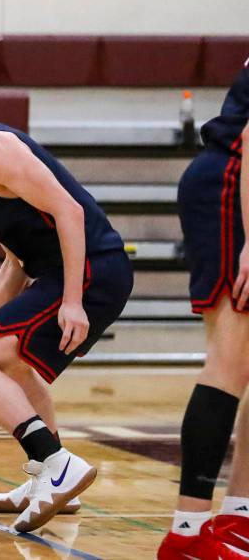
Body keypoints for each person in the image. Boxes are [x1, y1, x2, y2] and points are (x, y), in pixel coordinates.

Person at [0, 51, 133, 534]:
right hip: (67, 274)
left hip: (93, 271)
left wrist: (74, 299)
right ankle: (48, 479)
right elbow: (15, 265)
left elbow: (71, 213)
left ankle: (54, 463)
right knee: (0, 359)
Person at [158, 58, 249, 560]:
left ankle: (237, 521)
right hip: (234, 188)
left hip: (234, 187)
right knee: (230, 362)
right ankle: (187, 533)